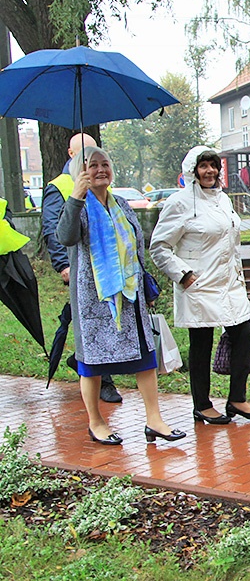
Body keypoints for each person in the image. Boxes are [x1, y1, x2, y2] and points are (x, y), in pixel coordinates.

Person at [56, 147, 184, 445]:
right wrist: (75, 197)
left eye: (105, 164)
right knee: (93, 363)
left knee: (145, 358)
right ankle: (96, 422)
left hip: (130, 296)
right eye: (92, 165)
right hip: (94, 299)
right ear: (80, 172)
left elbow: (137, 247)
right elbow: (66, 237)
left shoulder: (122, 204)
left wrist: (146, 286)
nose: (101, 170)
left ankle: (154, 420)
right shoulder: (77, 205)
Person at [150, 146, 250, 425]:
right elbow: (159, 247)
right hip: (199, 285)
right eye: (203, 166)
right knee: (201, 345)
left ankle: (237, 398)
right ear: (193, 170)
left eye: (213, 166)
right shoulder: (179, 203)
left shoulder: (223, 200)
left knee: (244, 335)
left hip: (229, 284)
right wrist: (183, 275)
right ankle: (201, 405)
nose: (210, 171)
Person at [42, 133, 122, 404]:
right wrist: (62, 264)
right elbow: (54, 228)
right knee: (90, 328)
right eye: (83, 155)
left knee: (107, 322)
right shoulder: (61, 185)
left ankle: (87, 366)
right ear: (70, 154)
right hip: (80, 268)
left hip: (107, 267)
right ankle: (103, 382)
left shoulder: (104, 182)